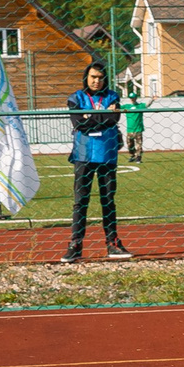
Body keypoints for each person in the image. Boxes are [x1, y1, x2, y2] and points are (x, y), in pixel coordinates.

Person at [64, 61, 130, 263]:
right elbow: (78, 123)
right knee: (80, 201)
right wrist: (103, 115)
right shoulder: (76, 97)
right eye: (93, 77)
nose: (96, 81)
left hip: (107, 154)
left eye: (100, 78)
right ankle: (76, 244)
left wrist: (90, 116)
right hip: (83, 155)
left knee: (108, 200)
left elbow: (113, 120)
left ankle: (113, 243)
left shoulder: (113, 96)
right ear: (87, 77)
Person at [122, 90, 146, 169]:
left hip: (138, 129)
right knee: (129, 144)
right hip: (130, 129)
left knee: (139, 144)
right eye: (131, 98)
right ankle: (132, 155)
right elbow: (118, 107)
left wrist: (152, 99)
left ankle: (138, 157)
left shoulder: (140, 106)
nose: (132, 99)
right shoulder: (127, 106)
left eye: (133, 97)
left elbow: (147, 104)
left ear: (136, 98)